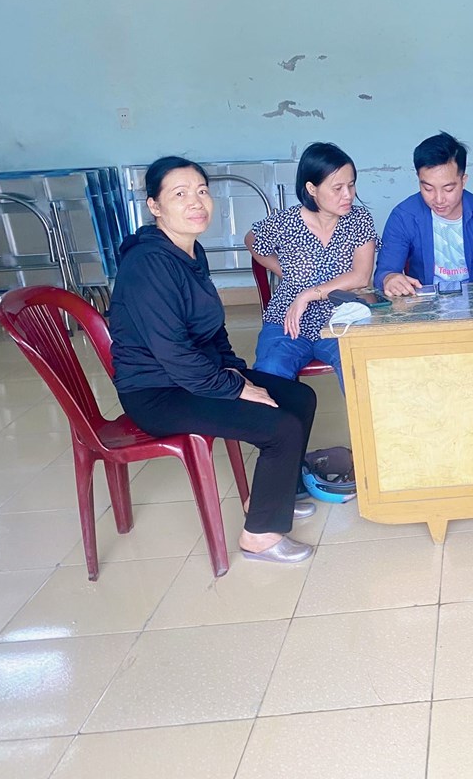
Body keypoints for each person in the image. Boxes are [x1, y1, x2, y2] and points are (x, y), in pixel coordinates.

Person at [110, 157, 318, 564]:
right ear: (154, 206)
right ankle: (259, 537)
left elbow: (209, 327)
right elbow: (173, 353)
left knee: (299, 398)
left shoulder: (190, 251)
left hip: (194, 376)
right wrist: (235, 387)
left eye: (202, 191)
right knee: (280, 427)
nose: (196, 202)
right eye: (180, 194)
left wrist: (236, 370)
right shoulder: (148, 264)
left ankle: (268, 501)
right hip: (157, 392)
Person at [246, 142, 377, 391]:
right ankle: (281, 418)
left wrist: (307, 294)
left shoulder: (359, 219)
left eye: (351, 185)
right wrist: (282, 269)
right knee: (271, 370)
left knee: (362, 373)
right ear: (311, 188)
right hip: (288, 318)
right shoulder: (285, 222)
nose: (348, 195)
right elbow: (251, 240)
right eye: (337, 188)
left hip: (343, 316)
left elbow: (361, 276)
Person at [373, 131, 473, 295]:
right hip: (425, 305)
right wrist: (390, 278)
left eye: (448, 189)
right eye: (428, 188)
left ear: (463, 181)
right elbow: (385, 271)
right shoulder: (403, 216)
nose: (439, 199)